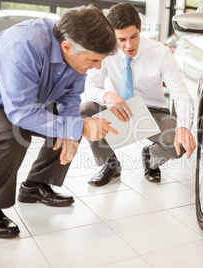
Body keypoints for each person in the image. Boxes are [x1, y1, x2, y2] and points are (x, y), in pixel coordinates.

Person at [0, 5, 118, 238]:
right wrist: (78, 127)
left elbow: (70, 98)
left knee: (71, 124)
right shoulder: (25, 44)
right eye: (93, 60)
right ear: (67, 47)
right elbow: (20, 113)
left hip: (27, 101)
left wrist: (73, 129)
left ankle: (34, 186)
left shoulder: (77, 50)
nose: (97, 66)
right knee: (12, 134)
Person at [80, 2, 196, 187]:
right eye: (121, 39)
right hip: (119, 108)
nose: (128, 45)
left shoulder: (161, 53)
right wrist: (107, 96)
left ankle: (151, 158)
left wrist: (183, 127)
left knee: (179, 143)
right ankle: (110, 165)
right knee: (86, 109)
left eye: (133, 36)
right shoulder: (106, 51)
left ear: (140, 28)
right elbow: (89, 88)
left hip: (153, 112)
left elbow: (182, 95)